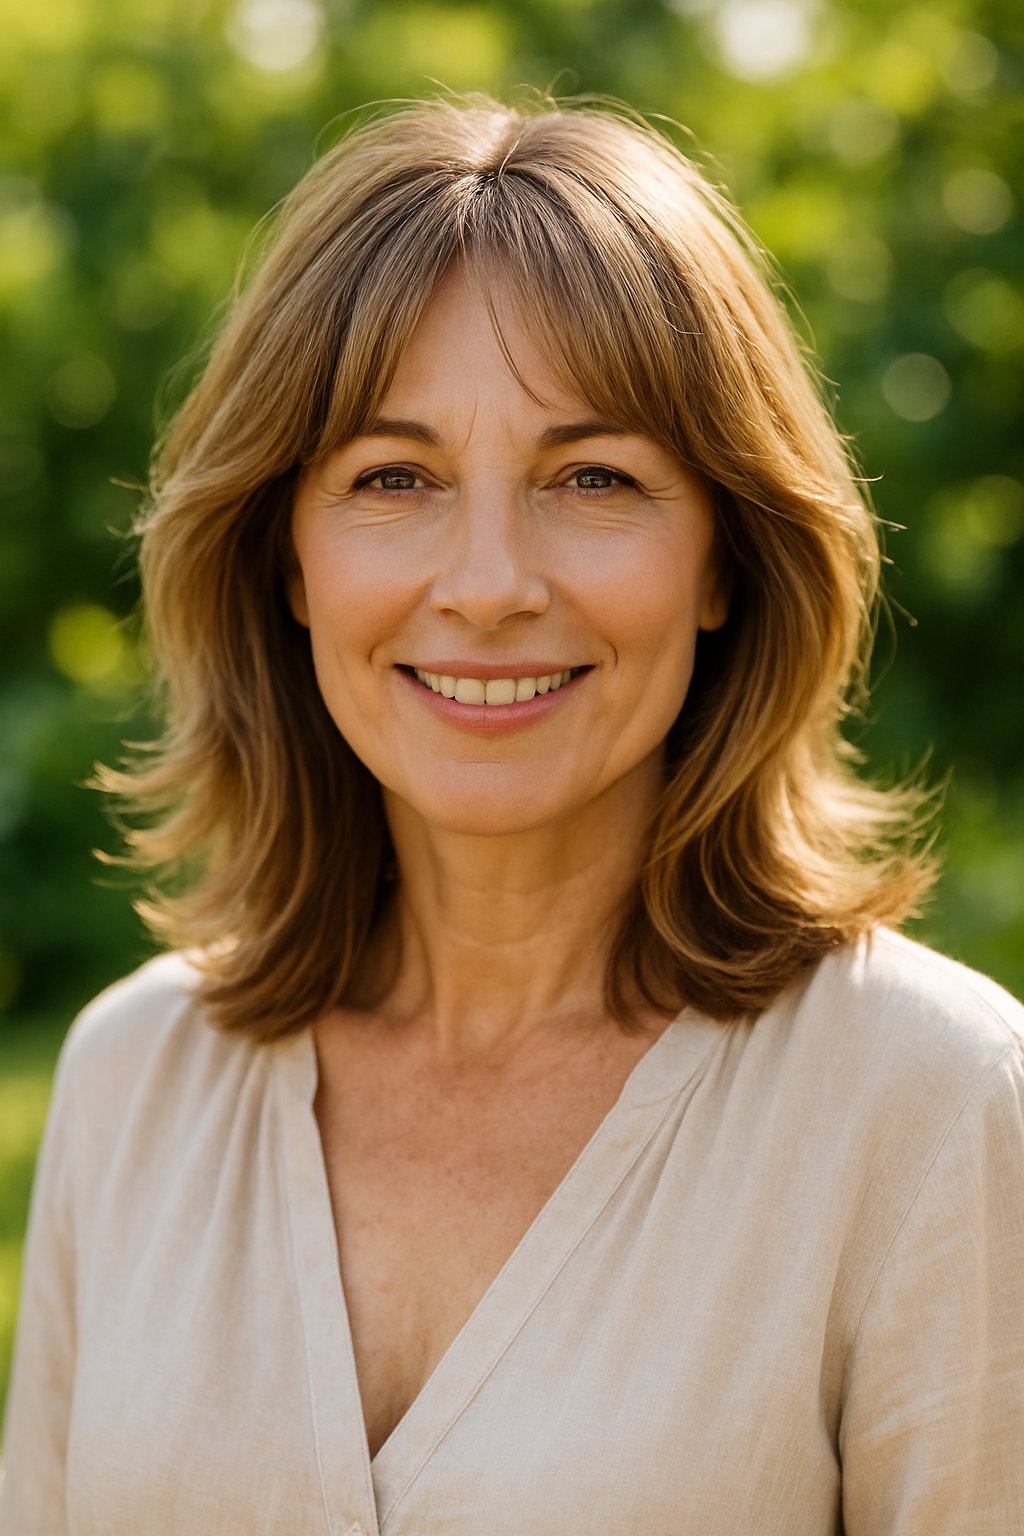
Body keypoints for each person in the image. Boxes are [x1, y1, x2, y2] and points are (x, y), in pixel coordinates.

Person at [1, 91, 1021, 1536]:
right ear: (287, 560)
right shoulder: (134, 1084)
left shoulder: (934, 1105)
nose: (487, 586)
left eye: (593, 477)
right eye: (393, 478)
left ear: (725, 558)